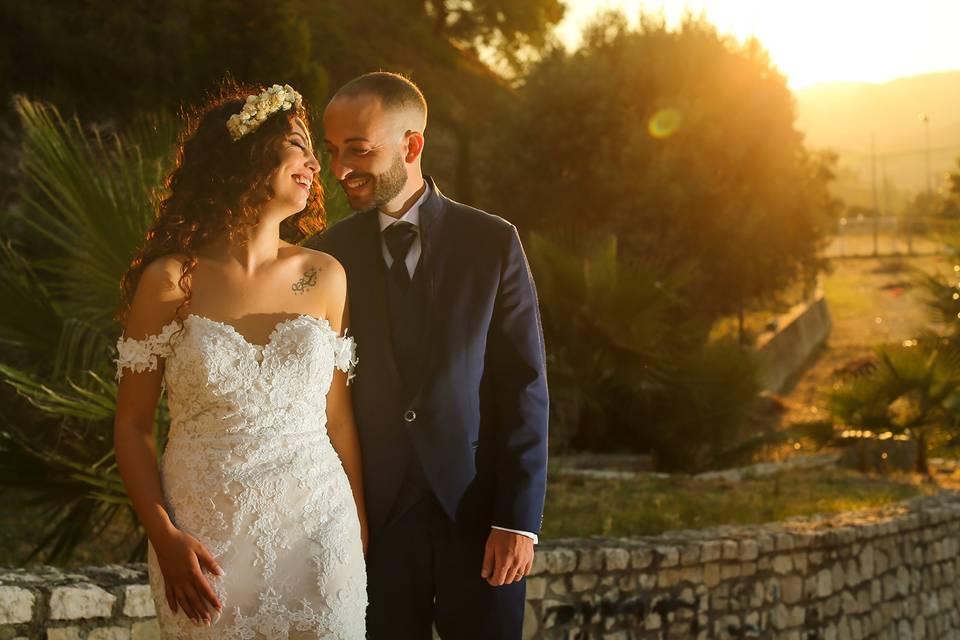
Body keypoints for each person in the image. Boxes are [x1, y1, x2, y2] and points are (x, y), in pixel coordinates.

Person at [113, 84, 368, 639]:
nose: (312, 162)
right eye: (297, 146)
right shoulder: (172, 281)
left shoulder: (325, 276)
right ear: (246, 158)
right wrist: (165, 537)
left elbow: (339, 418)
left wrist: (360, 527)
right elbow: (132, 427)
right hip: (204, 541)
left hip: (320, 529)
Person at [309, 71, 549, 639]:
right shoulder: (326, 255)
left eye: (358, 150)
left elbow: (523, 386)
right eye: (334, 151)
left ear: (411, 145)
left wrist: (518, 520)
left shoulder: (491, 242)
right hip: (372, 527)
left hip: (479, 520)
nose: (340, 168)